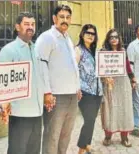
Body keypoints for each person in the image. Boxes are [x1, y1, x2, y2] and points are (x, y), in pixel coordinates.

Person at [34, 5, 82, 154]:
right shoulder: (47, 37)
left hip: (72, 95)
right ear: (54, 18)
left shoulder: (68, 38)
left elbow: (72, 65)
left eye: (68, 17)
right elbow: (40, 65)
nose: (65, 20)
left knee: (66, 135)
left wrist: (77, 87)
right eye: (62, 17)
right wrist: (47, 92)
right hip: (56, 96)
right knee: (52, 135)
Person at [0, 12, 45, 154]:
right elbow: (1, 84)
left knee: (34, 151)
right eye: (26, 24)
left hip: (37, 113)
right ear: (17, 27)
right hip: (19, 114)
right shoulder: (8, 50)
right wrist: (2, 107)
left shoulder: (37, 49)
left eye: (33, 24)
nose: (30, 27)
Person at [100, 29, 135, 147]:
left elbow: (128, 67)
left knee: (124, 109)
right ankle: (108, 136)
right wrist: (105, 78)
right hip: (109, 84)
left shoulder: (123, 51)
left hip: (123, 83)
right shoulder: (103, 52)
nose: (114, 39)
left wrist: (133, 79)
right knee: (109, 108)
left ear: (119, 39)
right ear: (108, 39)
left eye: (116, 37)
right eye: (111, 37)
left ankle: (124, 137)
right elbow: (100, 68)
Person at [75, 24, 103, 154]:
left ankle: (87, 145)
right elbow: (73, 71)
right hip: (85, 92)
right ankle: (81, 150)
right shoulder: (78, 50)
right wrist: (76, 88)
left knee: (91, 120)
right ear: (82, 34)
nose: (91, 36)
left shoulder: (96, 51)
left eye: (93, 34)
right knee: (89, 120)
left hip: (97, 91)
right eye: (88, 33)